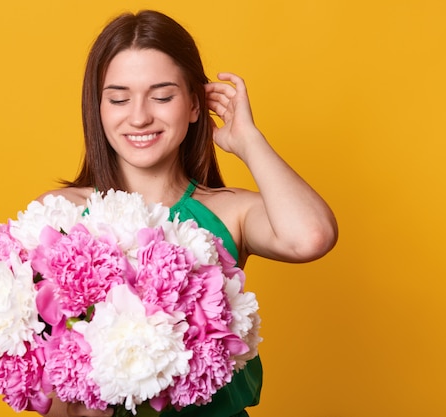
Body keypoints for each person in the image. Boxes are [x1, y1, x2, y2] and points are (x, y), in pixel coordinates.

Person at [39, 9, 338, 417]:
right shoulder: (61, 216)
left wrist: (248, 140)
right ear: (98, 108)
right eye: (119, 98)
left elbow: (311, 237)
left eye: (162, 96)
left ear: (195, 105)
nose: (140, 116)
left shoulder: (228, 210)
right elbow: (42, 383)